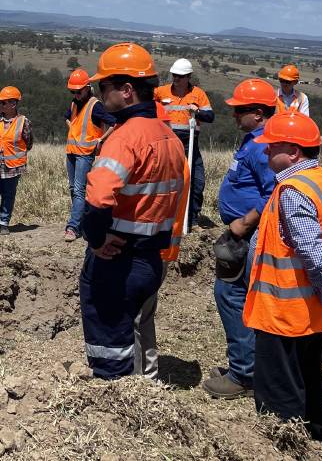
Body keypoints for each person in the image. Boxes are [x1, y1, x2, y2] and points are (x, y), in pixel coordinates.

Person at [244, 111, 322, 449]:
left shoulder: (294, 190)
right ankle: (317, 429)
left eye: (271, 146)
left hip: (286, 312)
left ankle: (286, 443)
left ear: (293, 151)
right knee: (307, 374)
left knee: (280, 386)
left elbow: (312, 251)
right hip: (311, 311)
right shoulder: (321, 179)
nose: (264, 152)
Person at [81, 43, 188, 380]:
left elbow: (97, 201)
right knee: (136, 332)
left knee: (110, 342)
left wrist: (96, 239)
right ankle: (141, 390)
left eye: (104, 87)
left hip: (118, 260)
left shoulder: (126, 138)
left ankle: (114, 402)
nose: (100, 95)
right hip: (151, 258)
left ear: (126, 91)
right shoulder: (168, 136)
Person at [202, 79, 277, 399]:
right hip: (244, 233)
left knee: (232, 297)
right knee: (239, 298)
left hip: (249, 236)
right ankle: (247, 366)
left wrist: (244, 224)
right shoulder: (255, 139)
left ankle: (244, 374)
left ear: (258, 113)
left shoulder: (263, 145)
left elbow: (276, 191)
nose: (234, 115)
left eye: (240, 110)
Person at [155, 58, 213, 229]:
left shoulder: (198, 94)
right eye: (174, 75)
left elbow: (210, 117)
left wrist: (198, 111)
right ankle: (165, 214)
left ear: (188, 77)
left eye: (180, 76)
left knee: (196, 179)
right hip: (167, 141)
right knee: (167, 179)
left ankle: (192, 218)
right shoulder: (161, 92)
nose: (176, 79)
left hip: (190, 141)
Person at [64, 68, 115, 242]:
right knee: (74, 189)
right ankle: (83, 222)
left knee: (79, 190)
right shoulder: (73, 103)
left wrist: (101, 140)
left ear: (87, 88)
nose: (76, 95)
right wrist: (72, 129)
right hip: (71, 152)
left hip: (85, 154)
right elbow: (67, 118)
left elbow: (114, 123)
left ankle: (73, 227)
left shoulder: (96, 105)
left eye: (78, 92)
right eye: (73, 92)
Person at [0, 86, 33, 236]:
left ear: (13, 104)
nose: (1, 105)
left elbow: (28, 143)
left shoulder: (24, 122)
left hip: (13, 166)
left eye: (4, 103)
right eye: (0, 102)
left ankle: (4, 223)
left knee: (8, 195)